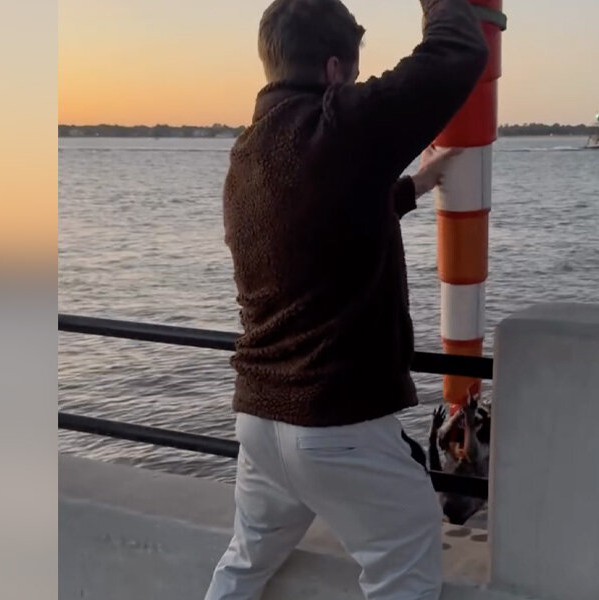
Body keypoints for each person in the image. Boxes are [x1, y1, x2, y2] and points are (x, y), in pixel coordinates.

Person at [207, 0, 488, 598]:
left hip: (259, 420)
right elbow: (456, 54)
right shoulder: (338, 123)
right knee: (405, 564)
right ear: (335, 70)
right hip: (335, 425)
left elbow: (325, 220)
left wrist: (415, 185)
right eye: (354, 76)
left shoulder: (247, 153)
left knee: (245, 563)